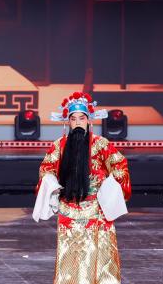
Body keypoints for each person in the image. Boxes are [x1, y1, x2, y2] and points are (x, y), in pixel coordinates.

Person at [33, 91, 131, 284]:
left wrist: (107, 186)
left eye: (82, 118)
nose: (78, 123)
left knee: (100, 255)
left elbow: (120, 166)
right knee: (70, 255)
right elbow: (46, 169)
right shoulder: (59, 146)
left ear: (89, 120)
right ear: (68, 122)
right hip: (68, 209)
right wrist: (53, 184)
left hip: (96, 209)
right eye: (73, 119)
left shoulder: (101, 144)